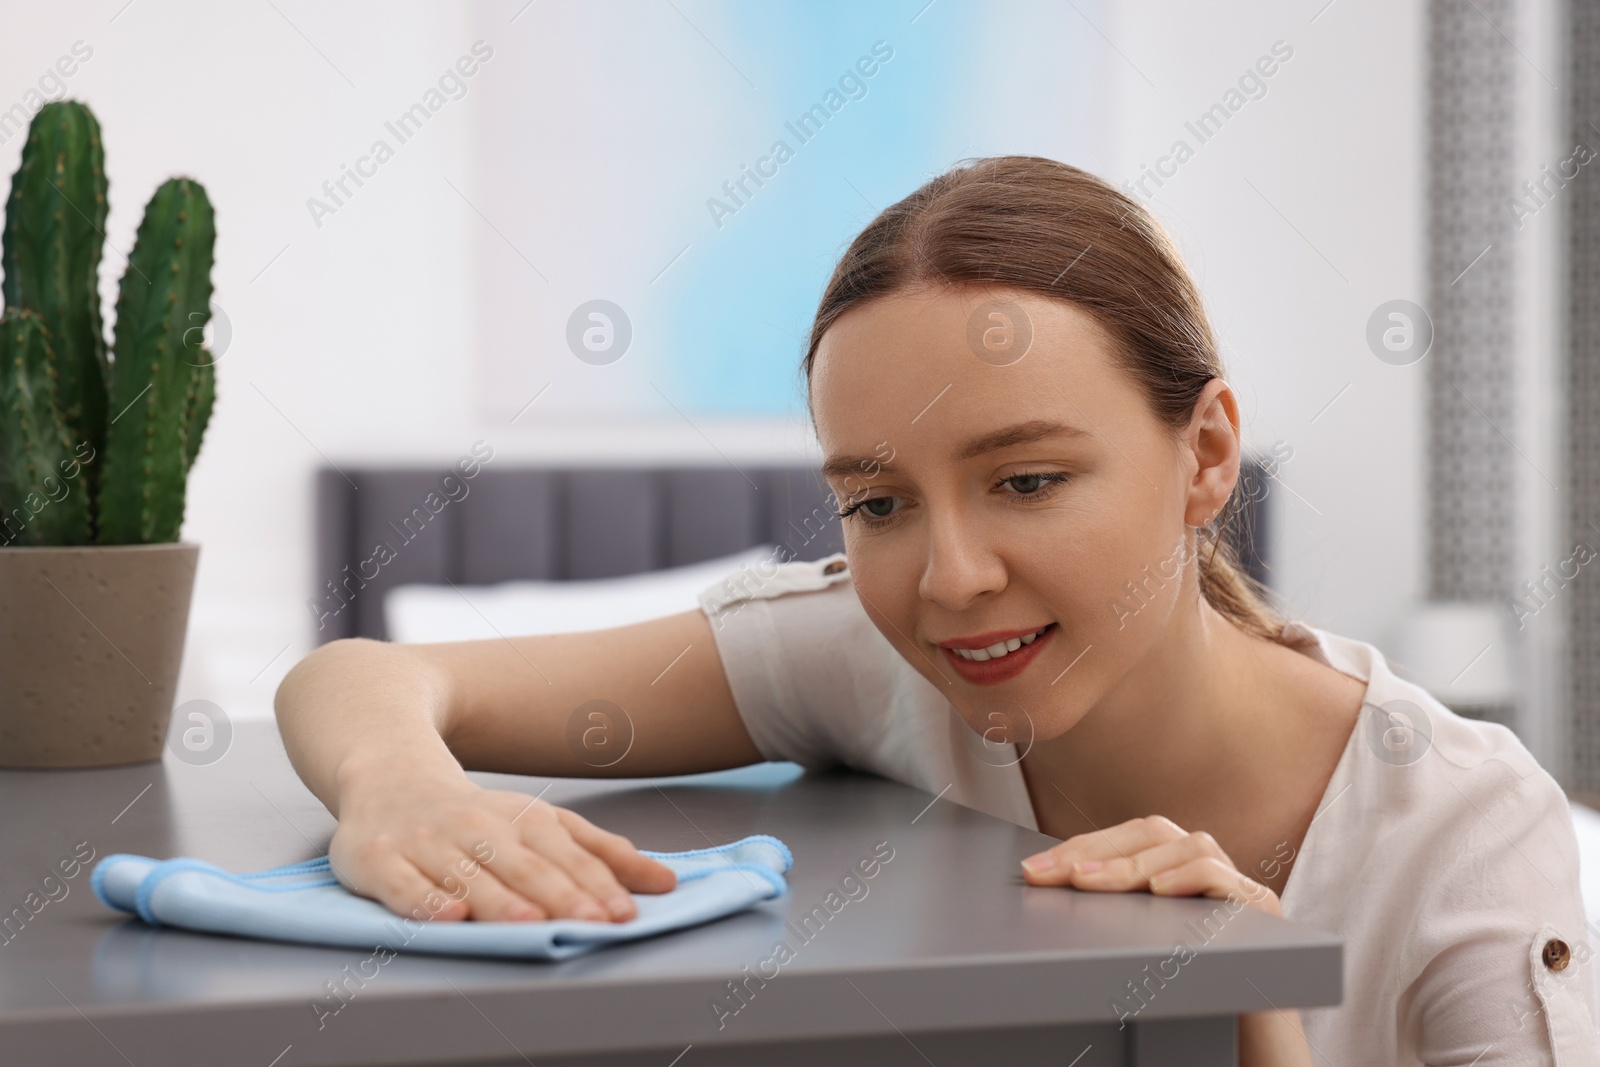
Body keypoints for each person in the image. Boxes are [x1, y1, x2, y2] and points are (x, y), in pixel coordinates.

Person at [275, 155, 1598, 1064]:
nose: (950, 579)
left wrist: (1248, 1009)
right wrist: (401, 793)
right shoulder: (871, 659)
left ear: (1204, 458)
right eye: (879, 504)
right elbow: (358, 679)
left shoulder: (1467, 837)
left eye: (1027, 480)